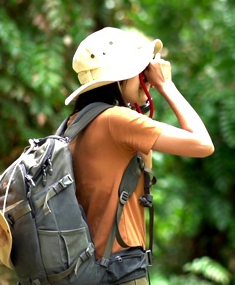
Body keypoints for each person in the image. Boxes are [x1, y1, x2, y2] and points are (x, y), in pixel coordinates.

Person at [64, 27, 215, 284]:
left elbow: (140, 167)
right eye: (138, 70)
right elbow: (203, 143)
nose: (144, 76)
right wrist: (166, 85)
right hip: (120, 272)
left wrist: (139, 99)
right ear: (120, 78)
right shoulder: (117, 121)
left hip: (88, 271)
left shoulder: (74, 124)